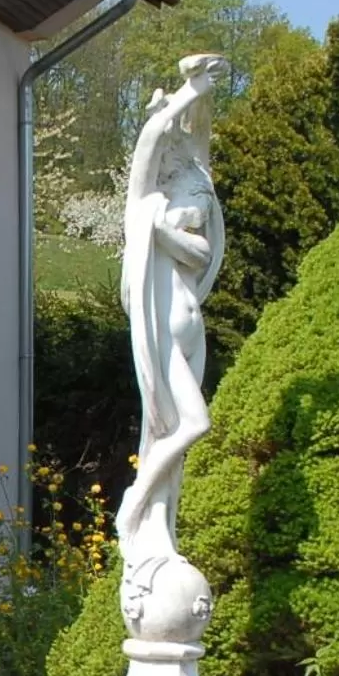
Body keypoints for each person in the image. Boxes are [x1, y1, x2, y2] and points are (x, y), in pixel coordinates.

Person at [115, 54, 228, 575]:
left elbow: (201, 254)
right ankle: (134, 503)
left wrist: (203, 103)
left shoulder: (179, 215)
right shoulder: (145, 201)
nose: (202, 209)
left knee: (173, 442)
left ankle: (159, 528)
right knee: (191, 423)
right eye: (196, 198)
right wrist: (190, 91)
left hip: (190, 330)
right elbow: (152, 138)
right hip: (162, 331)